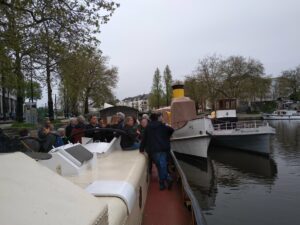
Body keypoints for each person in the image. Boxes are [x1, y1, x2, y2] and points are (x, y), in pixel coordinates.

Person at [140, 113, 174, 190]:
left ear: (151, 119)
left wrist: (141, 149)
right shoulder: (162, 125)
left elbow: (144, 139)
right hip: (163, 148)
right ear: (158, 118)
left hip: (154, 149)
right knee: (162, 165)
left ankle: (163, 182)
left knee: (160, 165)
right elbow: (171, 130)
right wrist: (166, 137)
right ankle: (166, 179)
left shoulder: (148, 127)